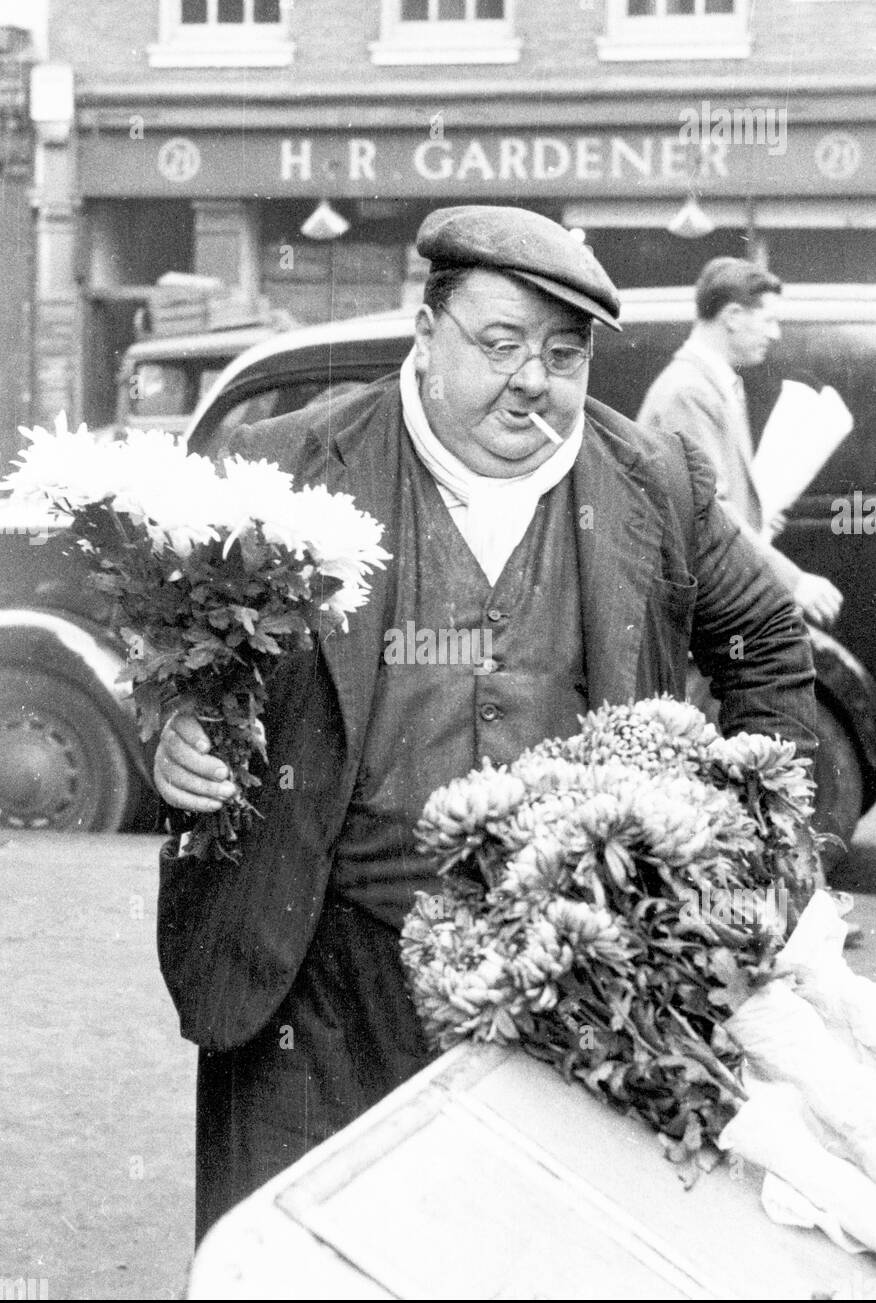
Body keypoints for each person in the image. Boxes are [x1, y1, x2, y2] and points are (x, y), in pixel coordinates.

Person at [152, 206, 818, 1243]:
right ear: (427, 335)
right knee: (292, 1269)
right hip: (314, 977)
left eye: (564, 354)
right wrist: (178, 733)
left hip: (562, 989)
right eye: (500, 344)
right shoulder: (282, 463)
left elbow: (768, 641)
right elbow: (181, 646)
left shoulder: (655, 481)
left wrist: (748, 852)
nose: (532, 381)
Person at [637, 257, 843, 629]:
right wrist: (793, 581)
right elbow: (710, 511)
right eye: (769, 320)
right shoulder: (690, 392)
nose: (775, 334)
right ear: (732, 316)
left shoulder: (709, 385)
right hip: (697, 612)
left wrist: (756, 513)